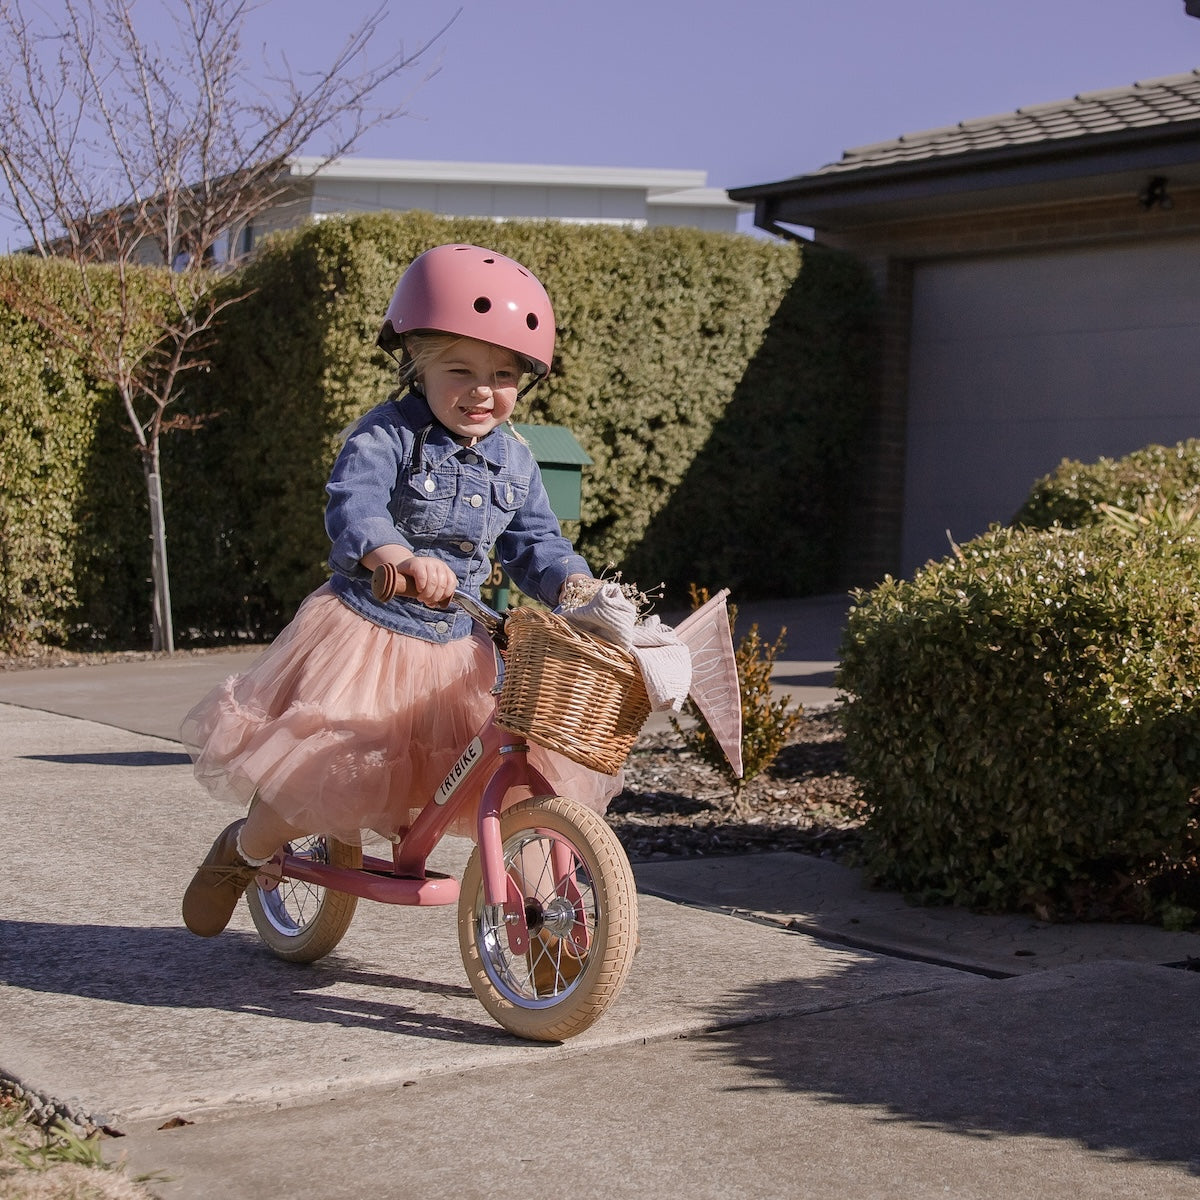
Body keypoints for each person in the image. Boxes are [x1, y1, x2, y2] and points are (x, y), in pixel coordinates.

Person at [181, 243, 611, 940]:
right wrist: (394, 554)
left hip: (456, 646)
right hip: (371, 631)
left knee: (516, 774)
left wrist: (574, 583)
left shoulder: (516, 458)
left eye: (503, 375)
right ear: (416, 360)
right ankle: (246, 850)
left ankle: (545, 933)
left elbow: (536, 542)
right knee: (326, 773)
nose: (482, 391)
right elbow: (355, 503)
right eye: (460, 370)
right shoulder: (389, 435)